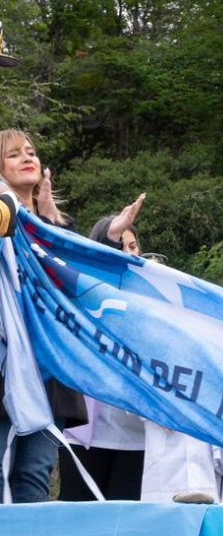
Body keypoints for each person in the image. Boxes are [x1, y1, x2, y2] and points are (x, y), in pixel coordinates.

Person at [0, 129, 87, 502]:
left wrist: (58, 226)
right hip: (6, 366)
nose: (27, 157)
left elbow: (79, 285)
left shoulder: (55, 229)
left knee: (34, 474)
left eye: (31, 151)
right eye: (14, 154)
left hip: (47, 370)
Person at [59, 203, 147, 501]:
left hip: (137, 436)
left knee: (125, 528)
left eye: (133, 246)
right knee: (78, 523)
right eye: (119, 245)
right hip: (85, 433)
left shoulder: (154, 304)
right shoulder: (80, 293)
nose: (128, 253)